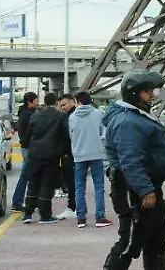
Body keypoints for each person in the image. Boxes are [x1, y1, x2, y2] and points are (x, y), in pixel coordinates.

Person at [103, 70, 165, 270]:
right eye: (147, 91)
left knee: (157, 238)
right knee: (130, 243)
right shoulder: (127, 121)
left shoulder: (136, 115)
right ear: (133, 93)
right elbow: (130, 160)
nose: (152, 95)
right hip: (133, 188)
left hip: (147, 186)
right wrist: (145, 190)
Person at [22, 92, 68, 224]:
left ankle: (28, 214)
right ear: (55, 102)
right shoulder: (60, 116)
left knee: (33, 182)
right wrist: (64, 151)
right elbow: (65, 134)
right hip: (51, 154)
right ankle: (45, 215)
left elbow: (27, 135)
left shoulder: (36, 115)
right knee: (47, 184)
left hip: (35, 154)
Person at [69, 91, 112, 228]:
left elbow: (71, 135)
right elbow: (104, 133)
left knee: (79, 188)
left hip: (79, 155)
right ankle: (100, 217)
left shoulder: (72, 116)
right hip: (96, 154)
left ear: (79, 102)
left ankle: (81, 219)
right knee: (99, 187)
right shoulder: (98, 113)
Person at [11, 91, 39, 211]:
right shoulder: (28, 114)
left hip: (28, 147)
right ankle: (17, 202)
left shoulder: (25, 113)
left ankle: (28, 201)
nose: (38, 103)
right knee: (26, 176)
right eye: (36, 100)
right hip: (29, 148)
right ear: (30, 102)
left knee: (30, 175)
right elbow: (29, 133)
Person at [57, 93, 78, 219]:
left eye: (64, 104)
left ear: (72, 102)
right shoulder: (71, 116)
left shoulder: (70, 118)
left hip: (70, 155)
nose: (63, 108)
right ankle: (74, 207)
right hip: (75, 154)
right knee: (75, 183)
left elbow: (67, 136)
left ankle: (73, 207)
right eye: (61, 106)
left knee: (72, 183)